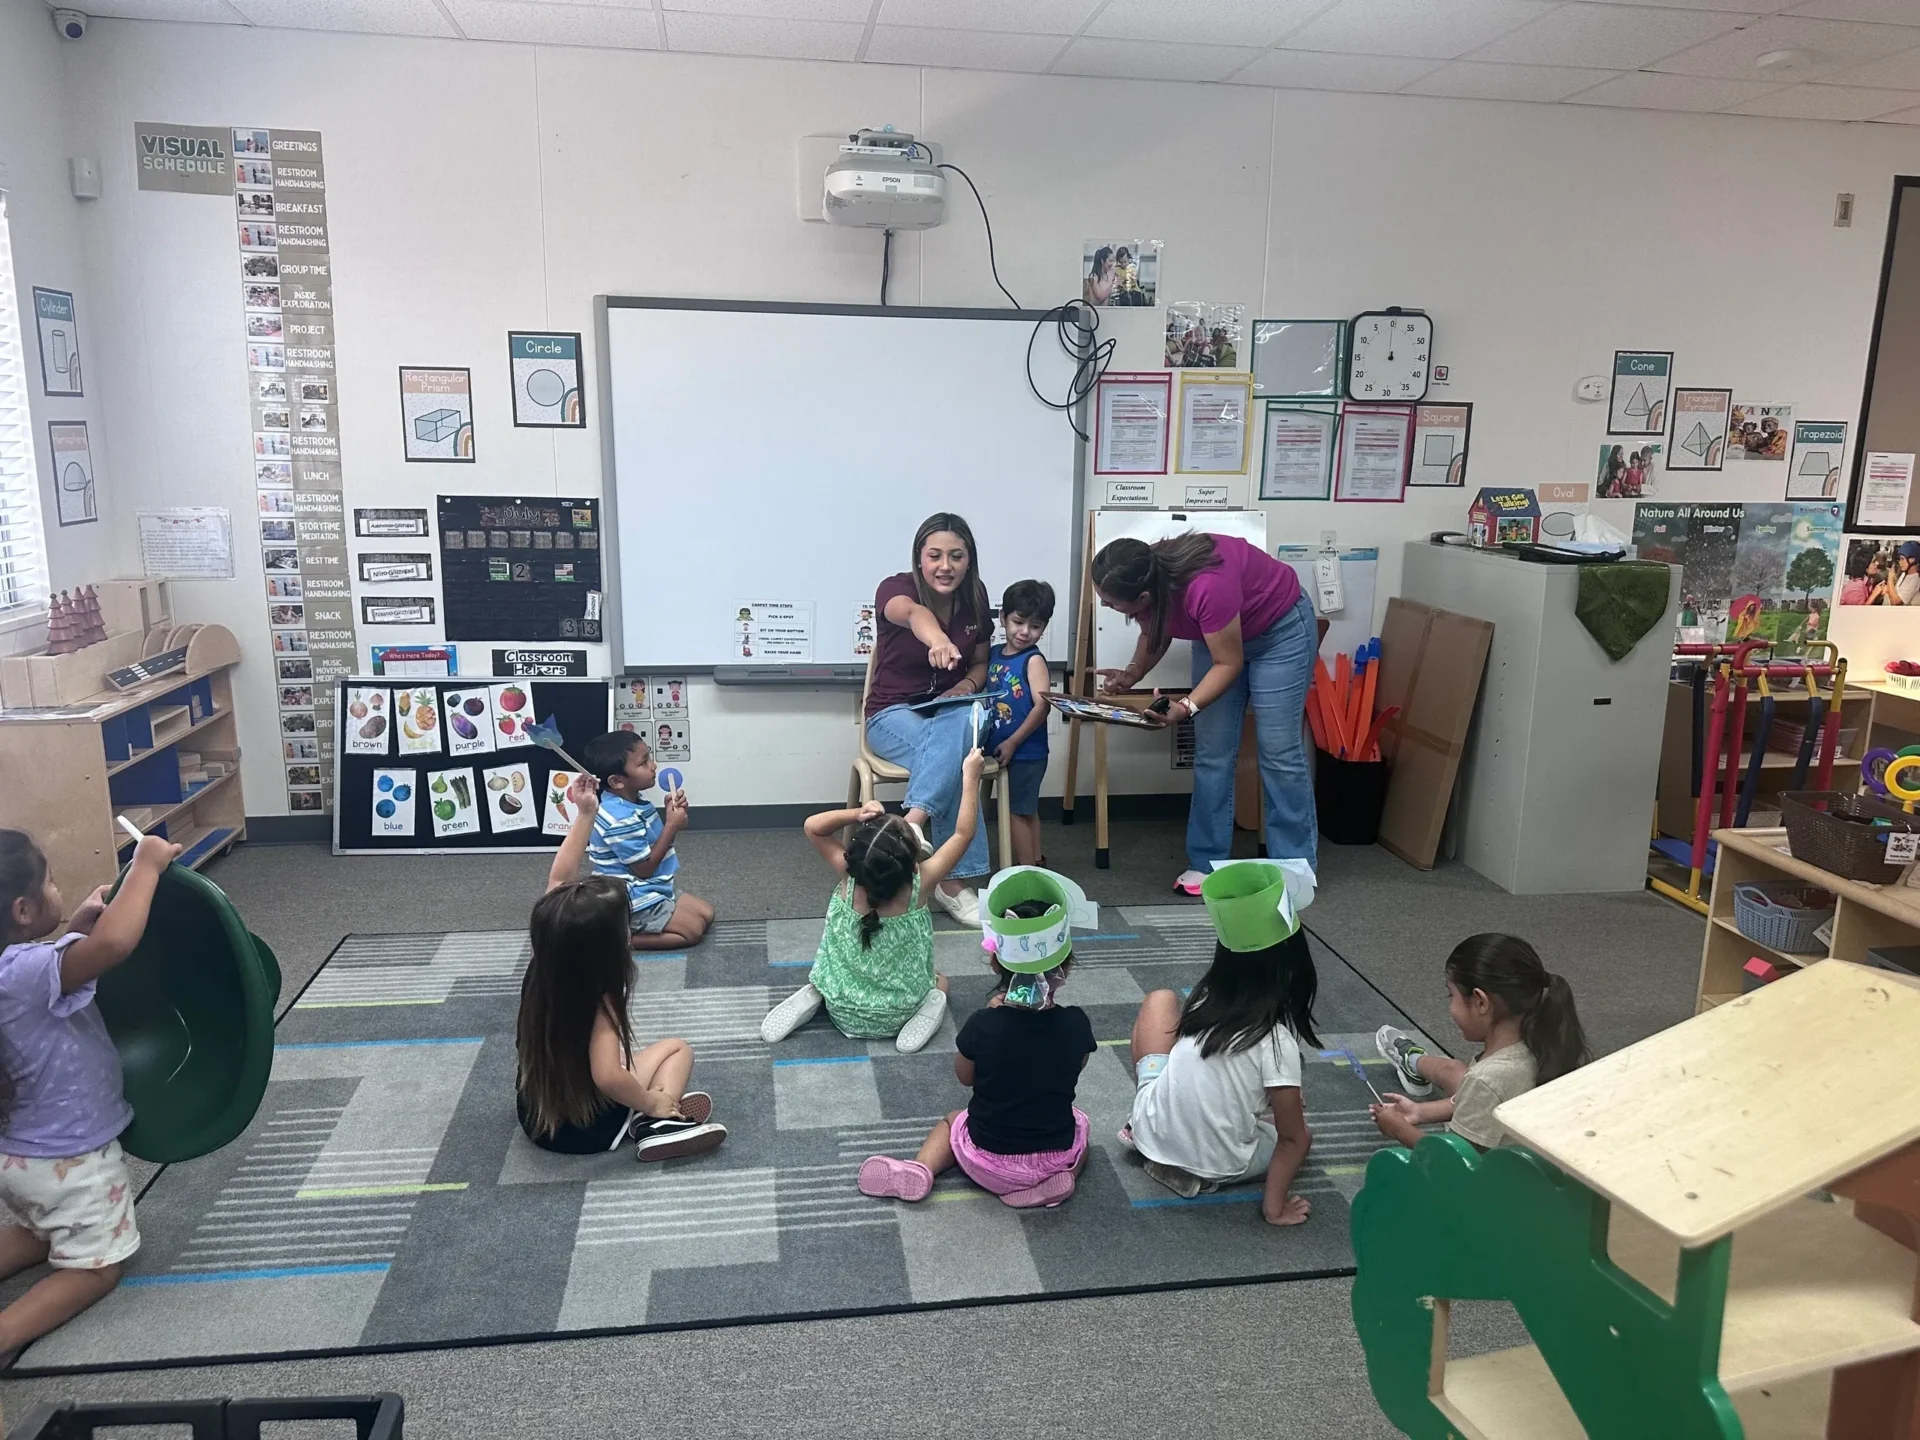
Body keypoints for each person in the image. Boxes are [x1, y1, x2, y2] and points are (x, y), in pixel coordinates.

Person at [0, 828, 180, 1349]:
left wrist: (69, 932)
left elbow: (39, 974)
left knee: (42, 1231)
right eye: (51, 883)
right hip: (71, 1159)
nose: (58, 890)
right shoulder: (31, 971)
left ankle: (45, 1234)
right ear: (23, 910)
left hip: (20, 1156)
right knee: (97, 1268)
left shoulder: (17, 969)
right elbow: (114, 944)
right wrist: (145, 864)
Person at [1095, 530, 1317, 896]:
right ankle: (1207, 864)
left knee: (1278, 752)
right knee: (1213, 752)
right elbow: (1156, 629)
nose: (1105, 607)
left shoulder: (1205, 587)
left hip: (1280, 632)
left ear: (1144, 596)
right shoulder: (1143, 573)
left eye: (1111, 603)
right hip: (1218, 636)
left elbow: (1228, 663)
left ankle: (1295, 867)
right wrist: (1132, 674)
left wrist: (1186, 707)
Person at [857, 870, 1095, 1209]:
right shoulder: (1076, 1024)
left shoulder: (983, 1025)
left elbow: (965, 1077)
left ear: (996, 962)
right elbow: (1077, 1063)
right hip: (1053, 1155)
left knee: (954, 1120)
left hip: (989, 1162)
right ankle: (1063, 1178)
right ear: (1065, 967)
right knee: (1080, 1124)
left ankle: (922, 1167)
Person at [517, 778, 727, 1161]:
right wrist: (651, 1101)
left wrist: (586, 813)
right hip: (587, 1129)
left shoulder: (544, 955)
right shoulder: (600, 994)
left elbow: (560, 880)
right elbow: (608, 1076)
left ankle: (652, 1114)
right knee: (677, 1050)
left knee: (620, 1061)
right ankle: (657, 1123)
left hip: (535, 1114)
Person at [761, 748, 986, 1053]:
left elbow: (812, 826)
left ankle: (819, 990)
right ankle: (930, 1006)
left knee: (836, 966)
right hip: (898, 1014)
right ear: (913, 862)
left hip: (841, 1007)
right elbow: (963, 834)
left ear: (854, 857)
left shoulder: (848, 877)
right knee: (940, 980)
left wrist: (857, 813)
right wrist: (971, 778)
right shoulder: (921, 884)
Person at [863, 513, 994, 924]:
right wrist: (937, 639)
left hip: (951, 710)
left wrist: (967, 687)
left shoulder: (976, 597)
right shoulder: (896, 588)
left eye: (956, 556)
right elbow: (913, 614)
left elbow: (980, 662)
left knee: (968, 716)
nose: (945, 566)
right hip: (892, 713)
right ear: (919, 558)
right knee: (959, 758)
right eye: (935, 555)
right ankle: (952, 882)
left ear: (968, 560)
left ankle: (909, 824)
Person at [1369, 933, 1589, 1152]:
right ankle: (1411, 1062)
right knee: (1455, 1071)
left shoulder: (1486, 1079)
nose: (1450, 1006)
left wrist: (1398, 1129)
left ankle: (1412, 1061)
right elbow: (1483, 1100)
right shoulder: (1541, 1044)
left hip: (1498, 1180)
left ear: (1480, 1002)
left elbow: (1455, 1164)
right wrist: (1420, 1112)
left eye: (1451, 995)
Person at [581, 730, 713, 952]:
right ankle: (612, 940)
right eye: (643, 763)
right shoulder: (618, 819)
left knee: (706, 913)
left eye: (649, 757)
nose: (653, 766)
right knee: (692, 931)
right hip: (627, 896)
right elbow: (644, 869)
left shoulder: (633, 802)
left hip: (647, 885)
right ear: (617, 781)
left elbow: (648, 848)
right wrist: (672, 826)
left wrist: (672, 816)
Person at [987, 580, 1053, 869]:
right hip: (1001, 749)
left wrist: (1014, 741)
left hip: (1027, 752)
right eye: (1018, 622)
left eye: (1036, 626)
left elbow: (1043, 705)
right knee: (1025, 810)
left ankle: (1027, 873)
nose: (1025, 632)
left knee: (1017, 812)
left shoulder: (1033, 660)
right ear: (1003, 618)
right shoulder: (994, 654)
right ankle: (1036, 861)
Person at [1878, 541, 1920, 606]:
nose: (1899, 562)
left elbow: (1895, 602)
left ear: (1912, 560)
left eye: (1902, 559)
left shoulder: (1915, 579)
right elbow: (1895, 593)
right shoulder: (1904, 574)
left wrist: (1890, 579)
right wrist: (1887, 589)